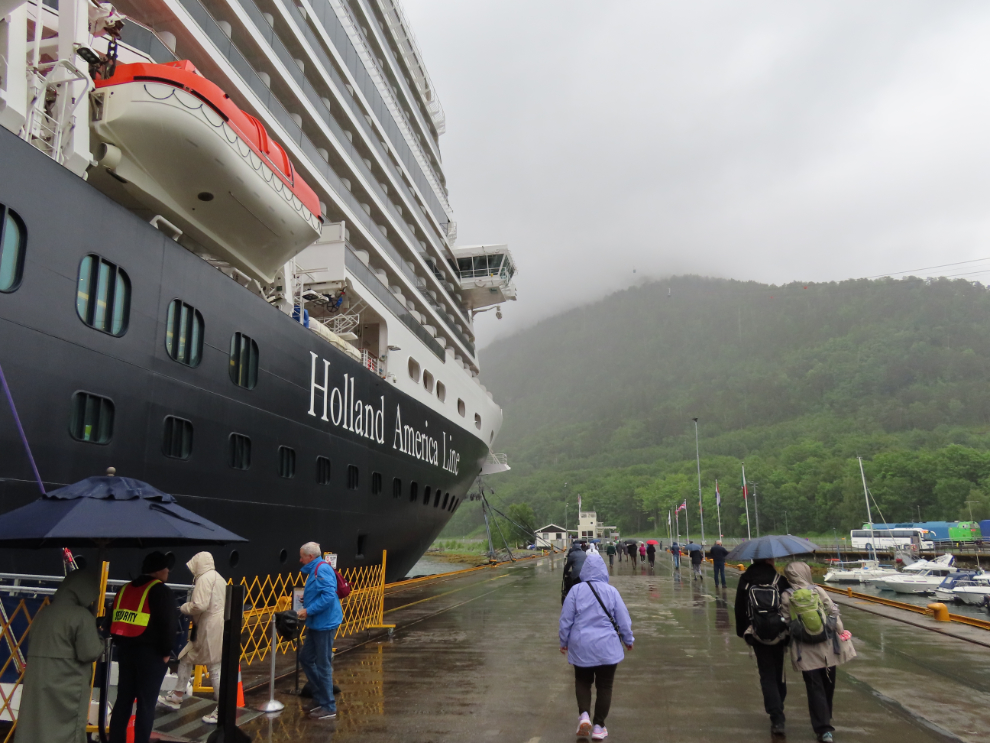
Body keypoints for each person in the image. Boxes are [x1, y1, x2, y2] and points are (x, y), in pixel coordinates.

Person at [16, 569, 104, 743]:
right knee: (67, 733)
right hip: (67, 688)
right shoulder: (81, 616)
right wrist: (100, 636)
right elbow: (90, 653)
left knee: (36, 727)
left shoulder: (44, 613)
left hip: (38, 683)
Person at [559, 552, 634, 741]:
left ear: (584, 570)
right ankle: (599, 726)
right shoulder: (611, 591)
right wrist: (628, 639)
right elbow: (623, 619)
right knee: (605, 686)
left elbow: (566, 620)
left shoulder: (575, 591)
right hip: (607, 647)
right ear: (603, 569)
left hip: (581, 644)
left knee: (583, 681)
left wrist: (564, 641)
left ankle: (584, 715)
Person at [781, 562, 856, 743]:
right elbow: (832, 611)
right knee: (828, 685)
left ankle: (823, 728)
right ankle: (826, 719)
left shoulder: (786, 595)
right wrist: (840, 630)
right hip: (827, 648)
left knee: (814, 688)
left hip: (804, 651)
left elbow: (785, 620)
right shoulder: (817, 590)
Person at [109, 551, 177, 743]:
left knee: (123, 701)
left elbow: (113, 621)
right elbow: (168, 626)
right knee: (146, 706)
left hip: (125, 652)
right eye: (166, 568)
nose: (168, 572)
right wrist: (165, 653)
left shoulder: (125, 589)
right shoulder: (161, 591)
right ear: (158, 571)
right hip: (151, 655)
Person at [159, 552, 226, 724]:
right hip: (216, 626)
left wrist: (184, 607)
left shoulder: (204, 579)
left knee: (214, 667)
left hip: (208, 627)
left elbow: (199, 605)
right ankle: (177, 695)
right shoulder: (219, 578)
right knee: (186, 658)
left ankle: (223, 709)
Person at [735, 558, 791, 737]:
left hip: (758, 634)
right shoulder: (779, 579)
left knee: (766, 674)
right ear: (770, 560)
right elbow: (788, 606)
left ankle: (777, 717)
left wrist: (744, 632)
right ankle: (778, 703)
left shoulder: (746, 579)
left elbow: (739, 608)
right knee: (778, 672)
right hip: (779, 634)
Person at [298, 542, 343, 720]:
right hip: (317, 623)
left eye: (302, 556)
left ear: (310, 557)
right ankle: (320, 697)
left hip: (324, 624)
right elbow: (323, 594)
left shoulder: (321, 569)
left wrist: (308, 610)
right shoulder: (315, 568)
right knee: (306, 658)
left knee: (323, 664)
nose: (300, 560)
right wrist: (307, 598)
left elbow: (329, 596)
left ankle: (328, 706)